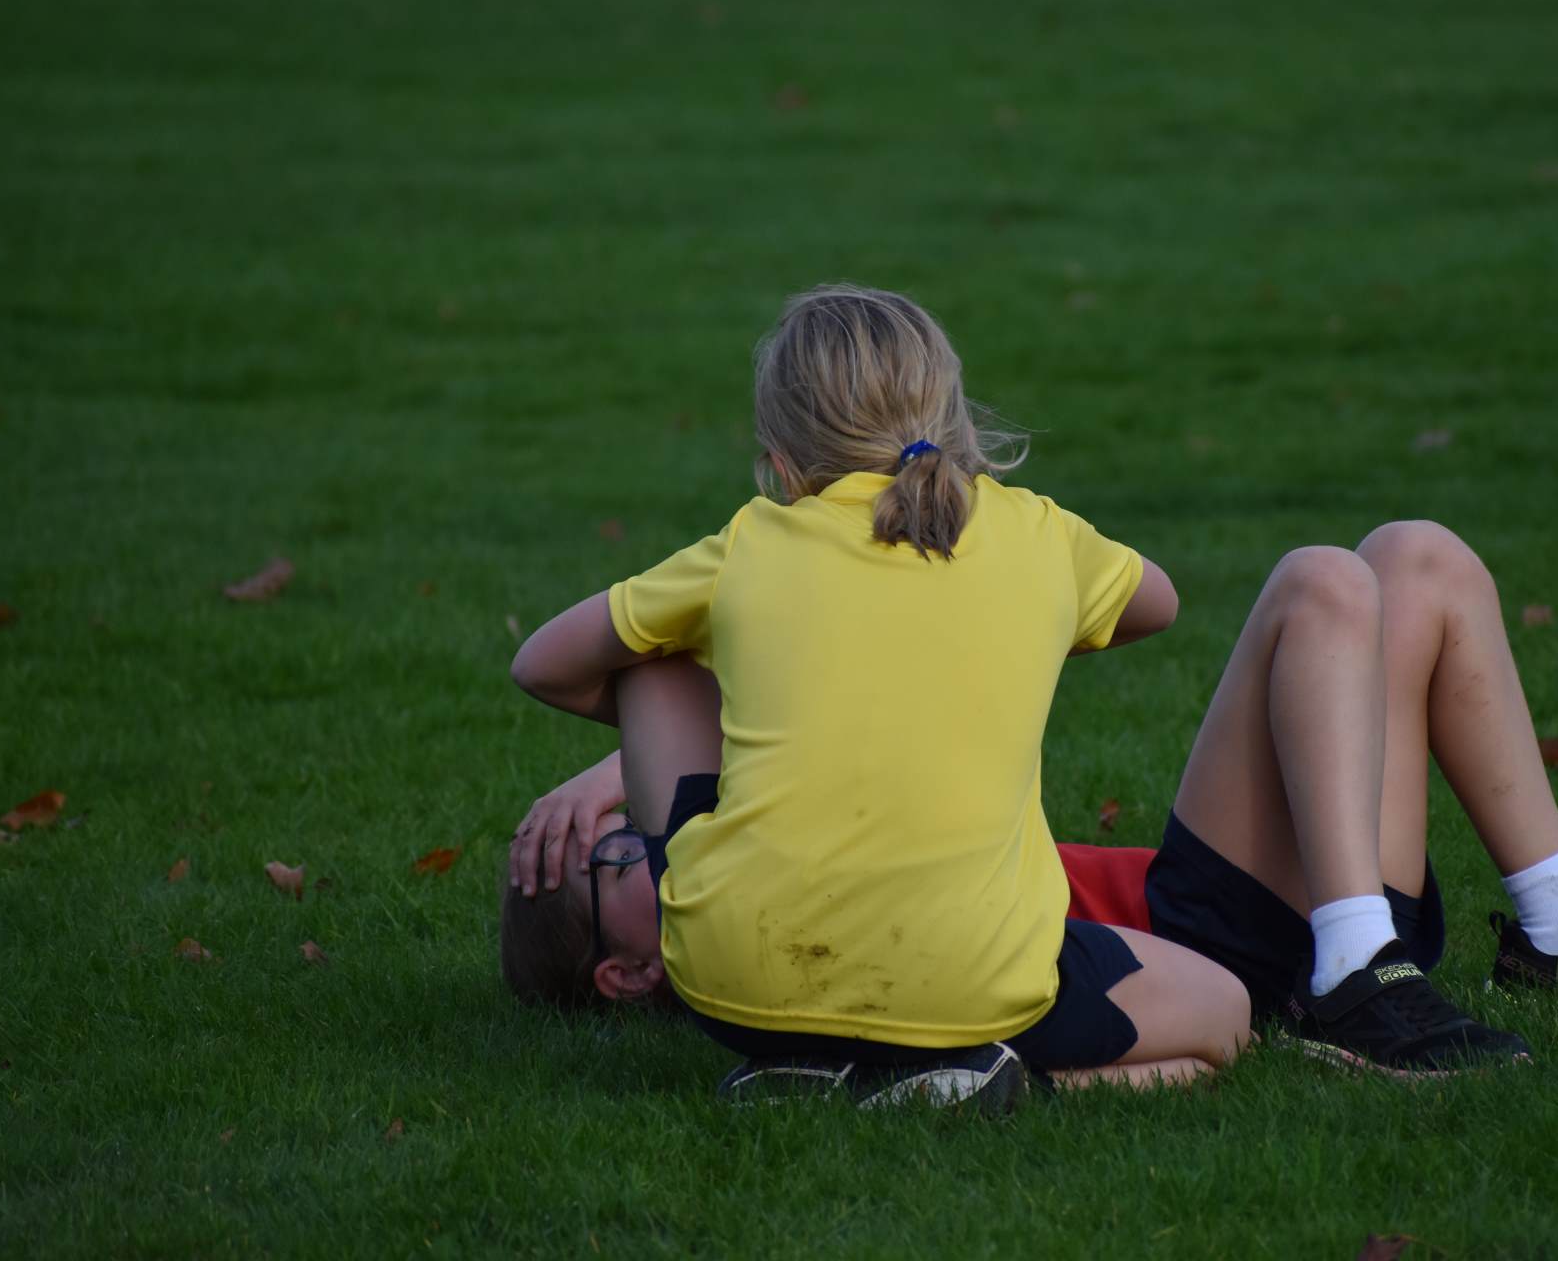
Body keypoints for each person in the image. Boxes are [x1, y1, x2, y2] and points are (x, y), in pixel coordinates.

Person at [505, 518, 1558, 1091]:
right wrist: (630, 770)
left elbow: (823, 707)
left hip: (1270, 893)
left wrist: (622, 772)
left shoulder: (759, 837)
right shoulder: (794, 935)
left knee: (1420, 559)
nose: (637, 843)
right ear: (627, 971)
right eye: (614, 861)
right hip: (1206, 937)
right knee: (1320, 585)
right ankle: (1356, 969)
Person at [507, 284, 1256, 1106]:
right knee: (1224, 1014)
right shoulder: (1039, 532)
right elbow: (1160, 604)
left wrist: (757, 704)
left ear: (782, 461)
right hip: (972, 979)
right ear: (954, 417)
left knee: (649, 660)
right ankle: (990, 1081)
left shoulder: (751, 545)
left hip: (738, 982)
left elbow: (542, 664)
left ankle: (820, 1067)